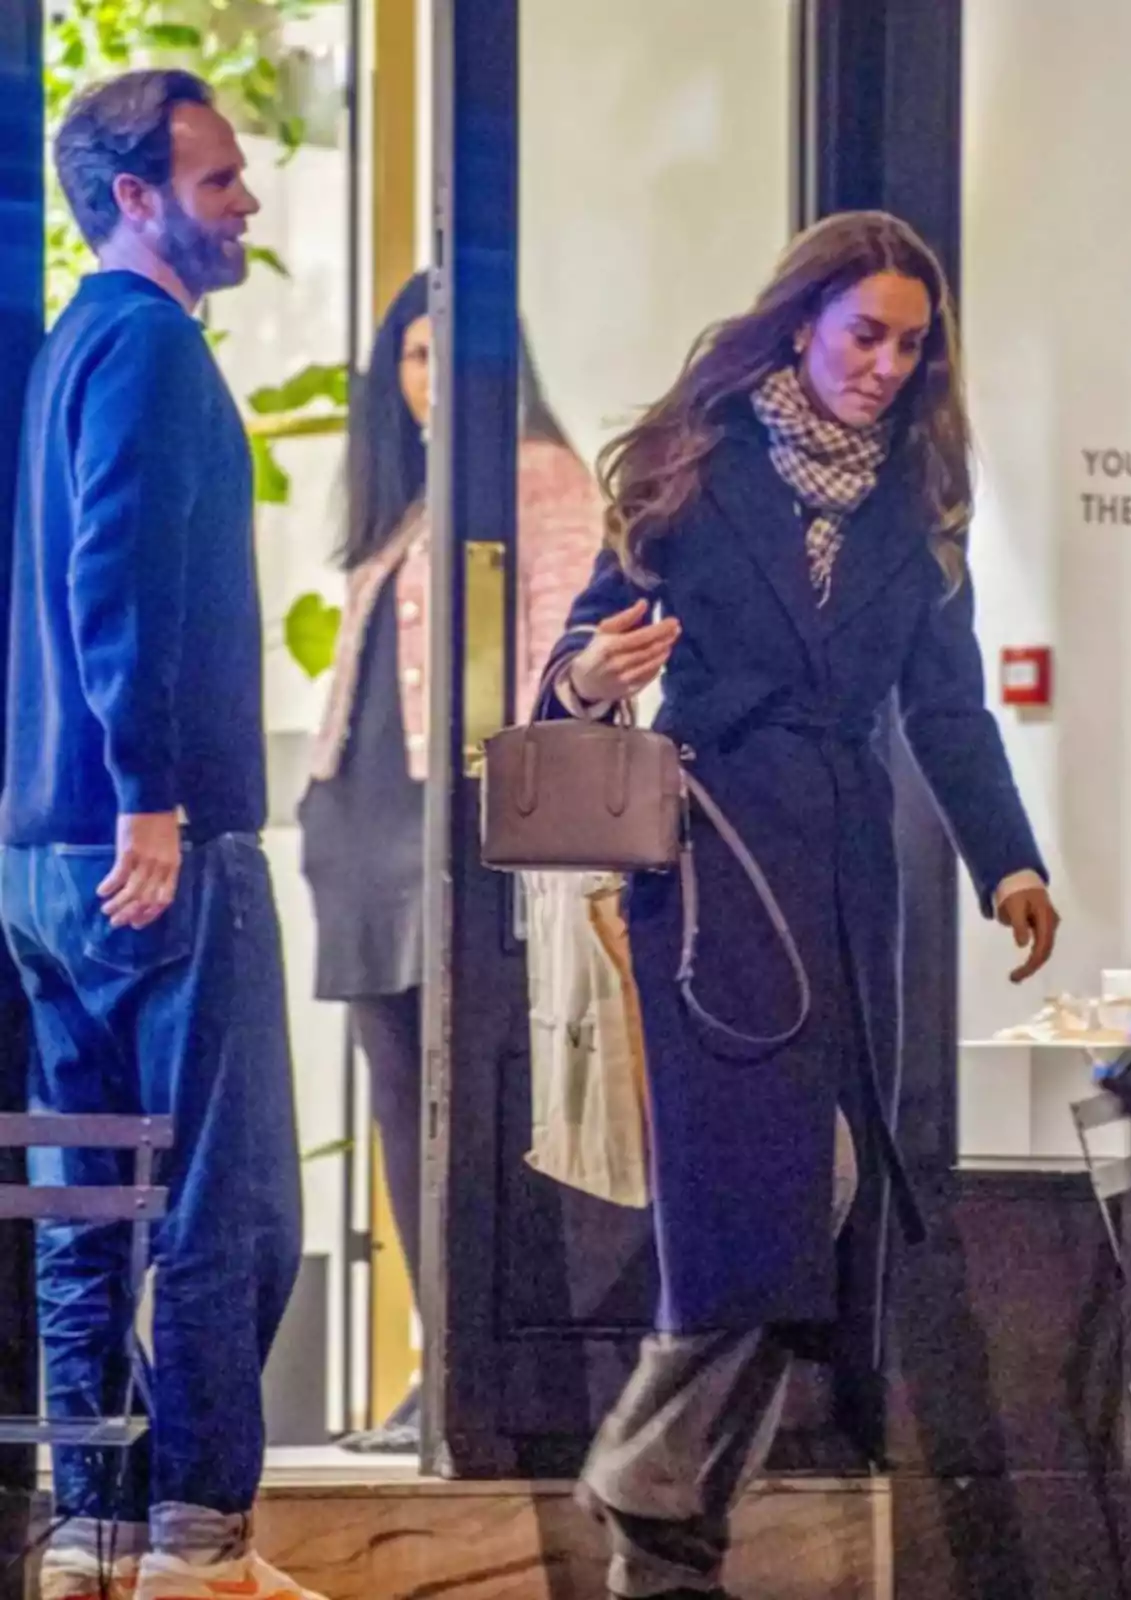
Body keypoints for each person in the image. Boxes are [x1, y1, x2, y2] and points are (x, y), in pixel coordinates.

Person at [546, 210, 1061, 1600]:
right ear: (800, 326)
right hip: (713, 874)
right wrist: (598, 673)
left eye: (911, 344)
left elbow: (947, 709)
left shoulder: (916, 501)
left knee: (822, 1212)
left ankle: (666, 1535)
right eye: (864, 336)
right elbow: (572, 673)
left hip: (847, 879)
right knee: (759, 1206)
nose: (887, 366)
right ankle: (653, 1493)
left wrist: (1008, 860)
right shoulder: (698, 471)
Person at [0, 71, 320, 1600]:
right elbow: (111, 570)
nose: (244, 203)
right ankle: (196, 1538)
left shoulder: (71, 342)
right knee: (220, 1200)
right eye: (217, 182)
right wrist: (152, 795)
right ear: (135, 198)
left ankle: (86, 1529)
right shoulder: (144, 348)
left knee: (88, 1200)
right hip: (149, 848)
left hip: (46, 859)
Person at [299, 270, 602, 1452]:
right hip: (361, 839)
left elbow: (561, 660)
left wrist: (523, 834)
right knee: (399, 1108)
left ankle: (486, 1379)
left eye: (450, 357)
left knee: (470, 1113)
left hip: (455, 840)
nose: (430, 382)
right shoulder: (405, 502)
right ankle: (444, 1373)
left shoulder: (540, 480)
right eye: (412, 359)